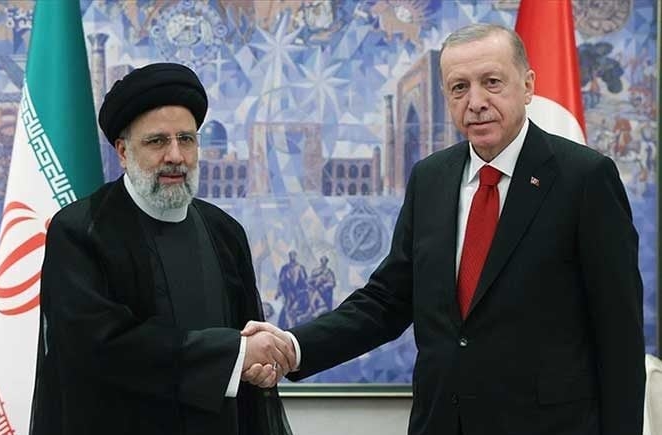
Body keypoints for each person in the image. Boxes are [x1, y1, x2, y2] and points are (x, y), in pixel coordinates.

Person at [244, 23, 646, 435]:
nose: (476, 102)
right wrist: (293, 347)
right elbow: (387, 301)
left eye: (492, 82)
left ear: (527, 86)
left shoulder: (584, 178)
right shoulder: (431, 178)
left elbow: (619, 333)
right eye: (459, 88)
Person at [30, 63, 294, 435]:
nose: (175, 155)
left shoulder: (225, 232)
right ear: (123, 152)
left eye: (186, 139)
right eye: (157, 142)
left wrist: (256, 366)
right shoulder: (80, 231)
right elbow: (99, 348)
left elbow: (246, 344)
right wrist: (234, 355)